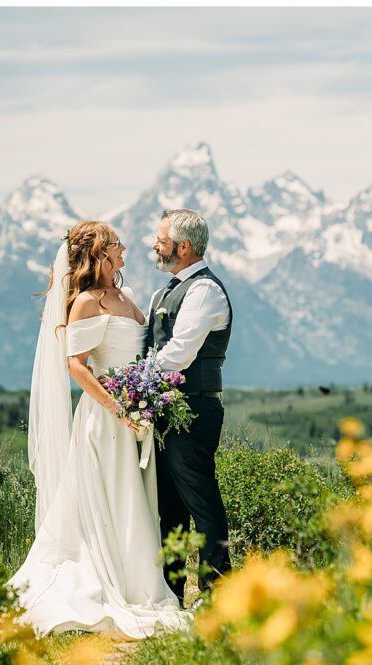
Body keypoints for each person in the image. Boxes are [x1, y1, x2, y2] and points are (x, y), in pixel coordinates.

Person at [10, 220, 189, 638]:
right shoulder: (87, 302)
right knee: (112, 498)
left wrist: (148, 397)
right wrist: (118, 407)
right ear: (100, 253)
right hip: (104, 419)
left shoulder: (124, 296)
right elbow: (76, 365)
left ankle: (137, 580)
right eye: (117, 243)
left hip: (133, 415)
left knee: (133, 499)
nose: (124, 248)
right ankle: (109, 583)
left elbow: (146, 351)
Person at [145, 209, 233, 600]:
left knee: (201, 502)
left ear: (183, 246)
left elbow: (179, 352)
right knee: (170, 507)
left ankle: (218, 589)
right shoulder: (162, 293)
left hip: (194, 409)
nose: (155, 245)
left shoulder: (205, 291)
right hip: (164, 412)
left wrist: (136, 382)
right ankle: (173, 591)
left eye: (161, 240)